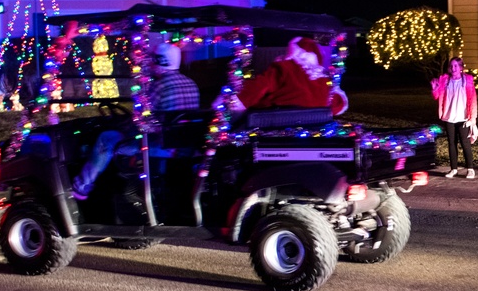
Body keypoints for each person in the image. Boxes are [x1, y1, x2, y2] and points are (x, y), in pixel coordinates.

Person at [71, 42, 200, 200]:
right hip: (185, 146)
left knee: (106, 139)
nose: (150, 64)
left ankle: (81, 188)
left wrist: (118, 124)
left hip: (160, 146)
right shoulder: (191, 84)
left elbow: (141, 121)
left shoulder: (160, 86)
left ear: (160, 61)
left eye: (152, 61)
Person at [226, 36, 348, 116]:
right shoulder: (324, 80)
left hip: (277, 121)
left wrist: (238, 99)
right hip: (312, 128)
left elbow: (261, 85)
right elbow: (338, 104)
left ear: (292, 52)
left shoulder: (285, 68)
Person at [431, 56, 478, 179]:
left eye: (456, 66)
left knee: (465, 142)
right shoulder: (445, 81)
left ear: (461, 67)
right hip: (449, 116)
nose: (453, 68)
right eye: (451, 66)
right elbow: (436, 96)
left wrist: (473, 118)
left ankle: (470, 168)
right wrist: (434, 87)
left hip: (463, 117)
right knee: (451, 143)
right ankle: (454, 168)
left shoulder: (467, 80)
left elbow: (473, 100)